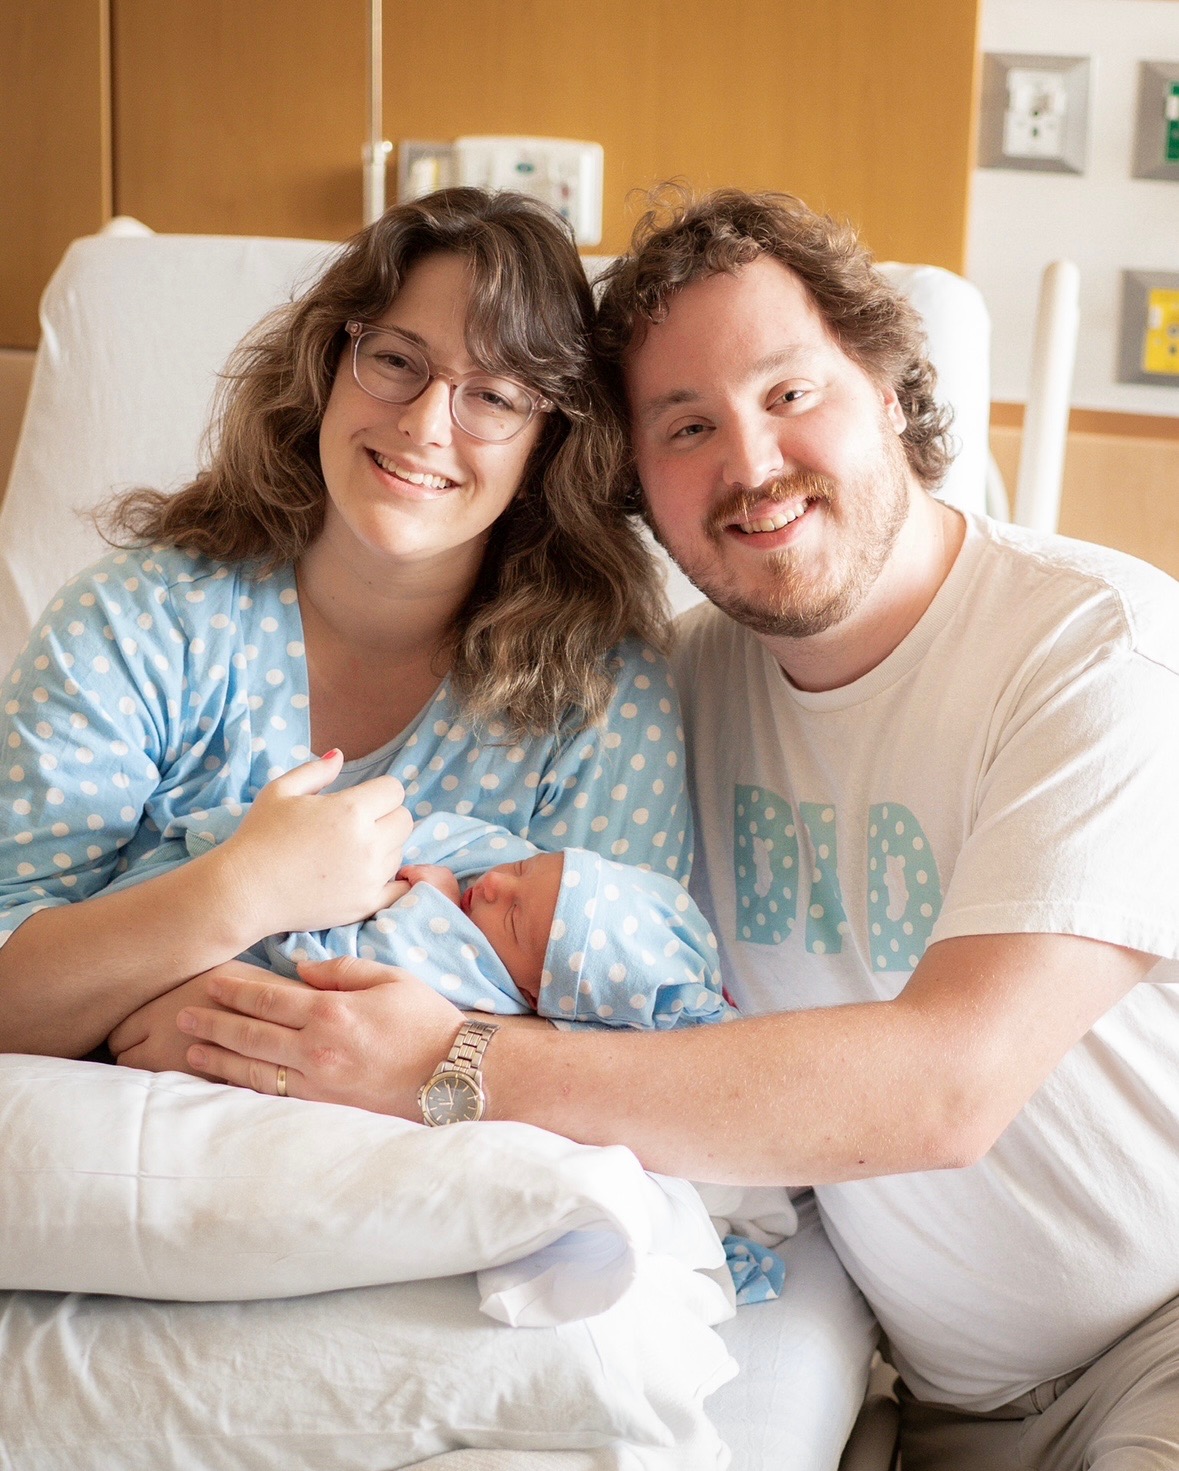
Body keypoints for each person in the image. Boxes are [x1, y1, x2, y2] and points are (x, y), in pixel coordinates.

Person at [179, 186, 1179, 1470]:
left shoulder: (1101, 654)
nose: (751, 465)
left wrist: (448, 1064)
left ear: (888, 388)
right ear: (633, 482)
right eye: (688, 426)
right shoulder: (670, 694)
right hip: (943, 1402)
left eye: (791, 393)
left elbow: (947, 1088)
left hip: (1156, 1342)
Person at [0, 187, 691, 1073]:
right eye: (397, 360)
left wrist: (277, 1031)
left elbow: (637, 1047)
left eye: (492, 396)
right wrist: (239, 890)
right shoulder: (138, 626)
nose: (424, 424)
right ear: (329, 361)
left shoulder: (599, 699)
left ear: (545, 445)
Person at [182, 798, 734, 1026]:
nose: (493, 883)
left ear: (534, 995)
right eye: (524, 869)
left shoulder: (483, 988)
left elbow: (350, 965)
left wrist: (428, 905)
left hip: (230, 943)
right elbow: (452, 841)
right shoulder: (494, 864)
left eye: (513, 918)